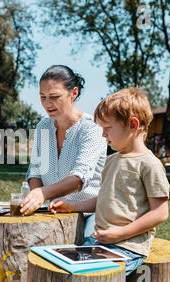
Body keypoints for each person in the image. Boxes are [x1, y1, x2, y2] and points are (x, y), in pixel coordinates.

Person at [49, 87, 170, 275]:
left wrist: (120, 234)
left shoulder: (149, 165)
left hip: (127, 247)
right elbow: (103, 199)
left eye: (108, 128)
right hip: (100, 242)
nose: (103, 135)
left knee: (87, 280)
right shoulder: (112, 160)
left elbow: (160, 213)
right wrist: (72, 205)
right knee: (58, 270)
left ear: (132, 125)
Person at [22, 65, 107, 240]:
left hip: (89, 212)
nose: (47, 104)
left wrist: (43, 193)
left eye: (54, 97)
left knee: (89, 247)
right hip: (52, 211)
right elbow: (35, 170)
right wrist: (35, 198)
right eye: (43, 97)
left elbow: (79, 178)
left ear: (73, 93)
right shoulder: (43, 127)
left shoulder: (91, 128)